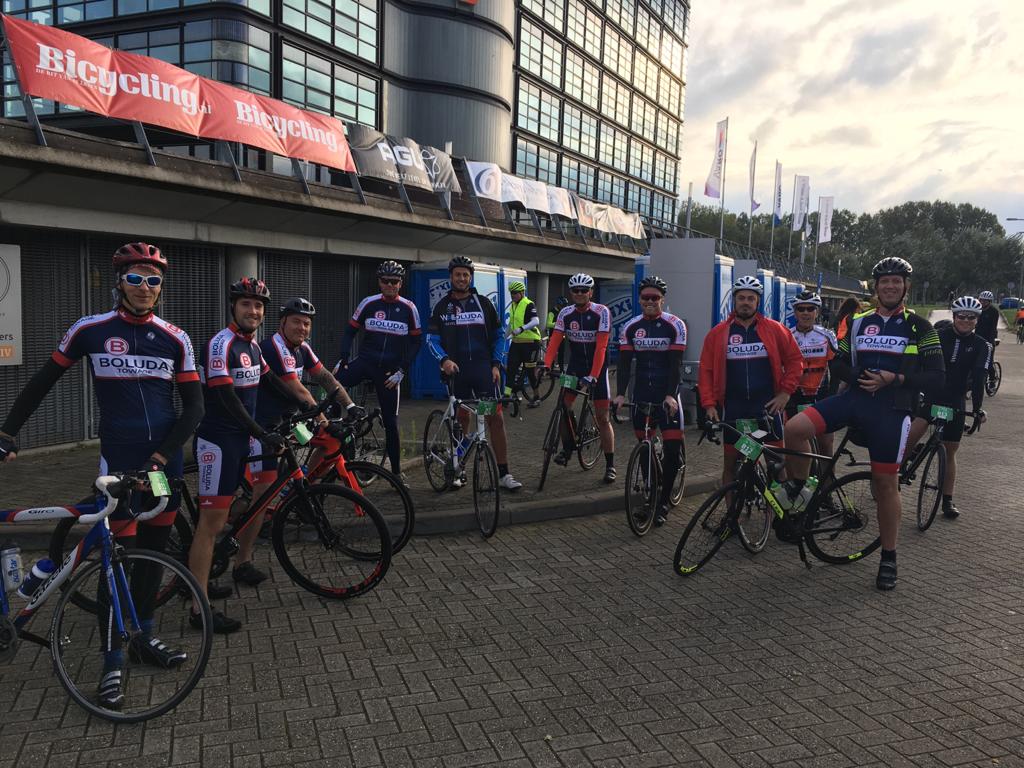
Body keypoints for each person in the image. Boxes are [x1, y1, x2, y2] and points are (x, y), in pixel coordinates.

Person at [0, 242, 204, 709]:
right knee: (117, 566)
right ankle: (112, 663)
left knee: (154, 556)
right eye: (136, 278)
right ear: (120, 282)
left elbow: (193, 408)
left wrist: (161, 457)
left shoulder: (175, 337)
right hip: (118, 465)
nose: (145, 288)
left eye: (153, 280)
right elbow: (41, 382)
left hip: (161, 468)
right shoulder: (90, 330)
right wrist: (7, 434)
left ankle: (143, 639)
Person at [783, 257, 944, 591]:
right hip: (853, 399)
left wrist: (895, 378)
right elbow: (838, 362)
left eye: (896, 282)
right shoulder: (858, 322)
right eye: (884, 282)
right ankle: (801, 489)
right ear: (876, 287)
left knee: (885, 484)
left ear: (905, 287)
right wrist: (856, 374)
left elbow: (937, 376)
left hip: (892, 410)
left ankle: (889, 556)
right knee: (794, 429)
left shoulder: (920, 327)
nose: (890, 286)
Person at [189, 278, 303, 633]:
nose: (253, 311)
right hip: (219, 442)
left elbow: (271, 383)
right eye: (246, 305)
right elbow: (227, 399)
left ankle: (231, 565)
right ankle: (198, 608)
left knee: (251, 500)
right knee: (211, 525)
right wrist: (260, 432)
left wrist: (308, 406)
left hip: (243, 439)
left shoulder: (252, 347)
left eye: (258, 306)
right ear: (233, 307)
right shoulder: (220, 344)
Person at [246, 297, 361, 584]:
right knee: (263, 493)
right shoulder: (274, 347)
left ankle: (303, 492)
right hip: (263, 425)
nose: (303, 327)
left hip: (288, 421)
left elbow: (325, 378)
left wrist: (350, 406)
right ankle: (271, 509)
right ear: (282, 322)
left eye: (307, 323)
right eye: (297, 321)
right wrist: (323, 420)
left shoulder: (302, 349)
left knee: (327, 443)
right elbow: (298, 389)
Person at [698, 276, 803, 489]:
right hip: (735, 409)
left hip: (765, 408)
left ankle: (782, 518)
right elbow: (706, 371)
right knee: (733, 464)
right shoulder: (718, 334)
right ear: (734, 301)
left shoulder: (774, 329)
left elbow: (795, 361)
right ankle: (731, 518)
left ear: (757, 302)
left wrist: (785, 393)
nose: (746, 302)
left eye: (751, 298)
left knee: (775, 464)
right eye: (741, 298)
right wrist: (709, 404)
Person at [426, 256, 522, 490]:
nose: (461, 278)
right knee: (462, 418)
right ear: (451, 277)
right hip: (456, 372)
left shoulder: (483, 304)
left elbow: (499, 336)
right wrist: (444, 360)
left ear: (471, 277)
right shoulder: (442, 307)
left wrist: (496, 364)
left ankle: (503, 474)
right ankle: (459, 468)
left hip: (483, 371)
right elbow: (431, 339)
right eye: (457, 274)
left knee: (495, 419)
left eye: (465, 275)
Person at [904, 296, 989, 518]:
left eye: (971, 317)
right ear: (954, 317)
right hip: (932, 395)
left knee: (950, 452)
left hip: (955, 400)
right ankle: (894, 473)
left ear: (977, 320)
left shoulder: (981, 345)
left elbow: (979, 378)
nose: (966, 320)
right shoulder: (938, 336)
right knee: (912, 433)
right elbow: (919, 364)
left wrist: (978, 409)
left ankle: (947, 500)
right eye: (962, 316)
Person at [336, 260, 422, 480]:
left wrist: (402, 370)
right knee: (332, 383)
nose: (390, 285)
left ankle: (396, 471)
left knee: (391, 424)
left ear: (400, 283)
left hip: (389, 373)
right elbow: (349, 332)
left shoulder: (409, 308)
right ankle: (332, 431)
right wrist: (343, 359)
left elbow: (416, 343)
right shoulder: (369, 303)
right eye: (386, 281)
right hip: (366, 362)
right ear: (379, 282)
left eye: (394, 281)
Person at [613, 275, 686, 525]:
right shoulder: (631, 327)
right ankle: (650, 495)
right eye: (646, 298)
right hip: (642, 394)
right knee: (645, 451)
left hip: (667, 395)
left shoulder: (674, 325)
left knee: (672, 451)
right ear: (640, 299)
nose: (650, 301)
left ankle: (663, 502)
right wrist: (621, 393)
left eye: (655, 298)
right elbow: (623, 365)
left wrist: (670, 395)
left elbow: (676, 365)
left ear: (662, 300)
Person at [541, 272, 617, 483]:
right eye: (576, 290)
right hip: (575, 367)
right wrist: (546, 364)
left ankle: (610, 464)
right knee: (563, 406)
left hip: (597, 369)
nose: (580, 294)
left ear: (591, 292)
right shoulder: (565, 313)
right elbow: (555, 341)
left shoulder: (601, 312)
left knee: (603, 417)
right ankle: (567, 448)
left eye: (584, 290)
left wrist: (593, 376)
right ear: (571, 292)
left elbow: (601, 347)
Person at [787, 291, 838, 460]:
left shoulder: (827, 335)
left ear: (817, 312)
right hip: (795, 397)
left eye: (810, 308)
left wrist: (833, 396)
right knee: (796, 447)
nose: (806, 313)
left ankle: (827, 482)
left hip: (821, 396)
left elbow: (836, 368)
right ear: (795, 312)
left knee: (826, 445)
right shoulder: (787, 335)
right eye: (801, 309)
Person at [503, 280, 544, 408]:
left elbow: (536, 320)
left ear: (522, 293)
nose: (513, 295)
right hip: (517, 342)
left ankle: (536, 397)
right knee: (511, 368)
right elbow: (511, 325)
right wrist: (503, 337)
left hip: (531, 342)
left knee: (531, 372)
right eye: (511, 293)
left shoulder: (528, 304)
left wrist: (521, 329)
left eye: (515, 293)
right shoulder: (513, 305)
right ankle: (506, 397)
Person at [975, 291, 1000, 386]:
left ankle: (992, 379)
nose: (983, 302)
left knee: (988, 362)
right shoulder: (978, 309)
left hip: (989, 337)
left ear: (990, 301)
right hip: (978, 336)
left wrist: (990, 342)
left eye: (986, 301)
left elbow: (993, 327)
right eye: (982, 300)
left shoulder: (994, 311)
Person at [546, 295, 569, 371]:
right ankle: (550, 369)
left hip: (562, 336)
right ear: (558, 305)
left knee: (561, 354)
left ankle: (561, 369)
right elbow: (548, 324)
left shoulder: (563, 312)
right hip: (553, 336)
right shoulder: (552, 312)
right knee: (552, 353)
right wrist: (558, 324)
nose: (564, 308)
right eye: (563, 306)